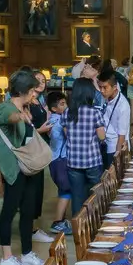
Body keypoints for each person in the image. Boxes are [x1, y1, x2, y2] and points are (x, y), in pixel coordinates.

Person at [0, 69, 47, 265]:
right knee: (9, 210)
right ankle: (6, 257)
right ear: (25, 91)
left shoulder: (27, 107)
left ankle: (26, 252)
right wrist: (21, 117)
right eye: (33, 90)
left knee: (28, 209)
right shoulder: (5, 107)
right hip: (13, 168)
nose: (35, 94)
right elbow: (10, 117)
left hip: (28, 166)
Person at [55, 78, 107, 218]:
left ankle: (78, 228)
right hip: (92, 161)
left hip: (73, 162)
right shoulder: (95, 113)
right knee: (96, 195)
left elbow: (66, 133)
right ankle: (94, 224)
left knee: (77, 197)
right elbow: (102, 136)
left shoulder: (67, 113)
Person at [43, 86, 73, 236]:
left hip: (55, 160)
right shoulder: (59, 122)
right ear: (54, 109)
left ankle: (60, 221)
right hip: (60, 160)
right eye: (61, 104)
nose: (65, 106)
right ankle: (57, 222)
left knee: (64, 191)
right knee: (66, 191)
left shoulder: (52, 119)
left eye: (65, 102)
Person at [97, 67, 131, 172]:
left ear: (115, 87)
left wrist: (117, 157)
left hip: (115, 147)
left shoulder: (123, 106)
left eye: (105, 87)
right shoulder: (106, 97)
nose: (102, 91)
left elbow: (122, 135)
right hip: (105, 144)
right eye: (100, 87)